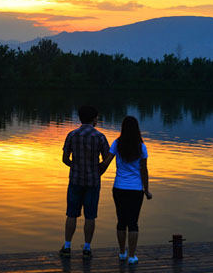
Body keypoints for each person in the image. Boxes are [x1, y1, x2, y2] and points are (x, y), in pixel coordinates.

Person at [59, 105, 110, 259]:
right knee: (90, 216)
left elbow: (65, 159)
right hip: (93, 182)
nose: (97, 120)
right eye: (97, 117)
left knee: (71, 214)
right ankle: (87, 249)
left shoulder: (72, 135)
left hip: (75, 180)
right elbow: (107, 159)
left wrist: (75, 166)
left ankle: (67, 246)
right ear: (94, 118)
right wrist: (98, 170)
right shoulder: (100, 137)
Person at [100, 115, 152, 265]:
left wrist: (94, 170)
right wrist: (147, 190)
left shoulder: (117, 144)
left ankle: (122, 252)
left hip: (119, 188)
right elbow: (144, 170)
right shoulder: (141, 147)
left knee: (121, 221)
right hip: (136, 189)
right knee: (133, 222)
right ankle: (132, 256)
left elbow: (106, 163)